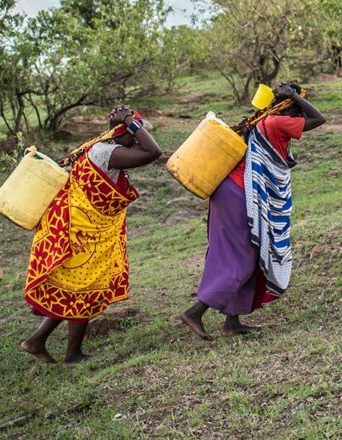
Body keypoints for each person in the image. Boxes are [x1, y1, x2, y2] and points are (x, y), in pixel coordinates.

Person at [181, 83, 325, 340]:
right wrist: (294, 96)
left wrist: (293, 99)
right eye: (298, 109)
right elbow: (318, 119)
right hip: (239, 194)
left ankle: (232, 321)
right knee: (243, 259)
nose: (301, 115)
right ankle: (195, 312)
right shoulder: (277, 122)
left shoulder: (262, 121)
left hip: (231, 191)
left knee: (247, 253)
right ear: (290, 107)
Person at [21, 105, 162, 363]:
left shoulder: (96, 148)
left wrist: (127, 125)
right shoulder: (108, 153)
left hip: (77, 227)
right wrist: (129, 120)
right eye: (134, 135)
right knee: (83, 288)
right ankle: (71, 353)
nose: (137, 141)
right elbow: (153, 152)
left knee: (75, 289)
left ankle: (36, 341)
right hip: (84, 232)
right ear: (123, 132)